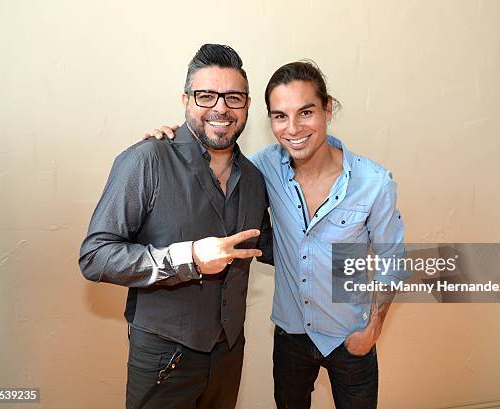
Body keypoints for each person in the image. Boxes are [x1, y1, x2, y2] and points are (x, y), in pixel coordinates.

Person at [148, 60, 409, 409]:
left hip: (351, 337)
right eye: (280, 116)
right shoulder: (262, 169)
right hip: (290, 337)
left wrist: (374, 326)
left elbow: (394, 258)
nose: (293, 128)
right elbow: (213, 162)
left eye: (306, 112)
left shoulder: (373, 182)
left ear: (327, 109)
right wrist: (169, 144)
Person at [79, 44, 272, 409]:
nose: (220, 108)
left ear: (247, 106)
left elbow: (273, 245)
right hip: (162, 358)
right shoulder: (146, 159)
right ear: (186, 101)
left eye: (233, 97)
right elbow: (95, 256)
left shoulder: (254, 178)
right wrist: (190, 257)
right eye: (206, 96)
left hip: (229, 354)